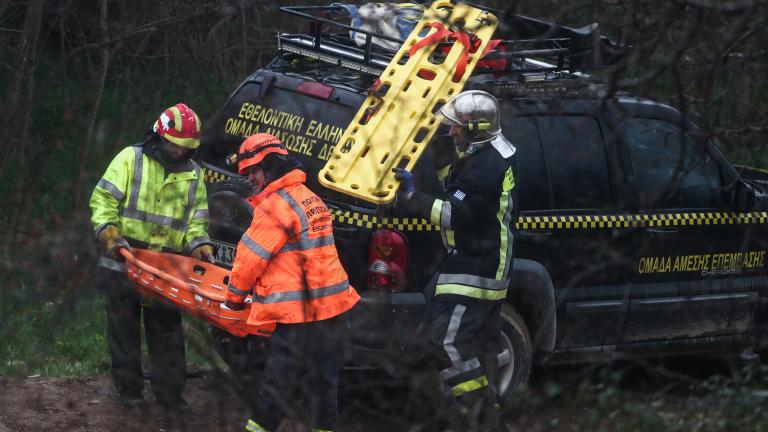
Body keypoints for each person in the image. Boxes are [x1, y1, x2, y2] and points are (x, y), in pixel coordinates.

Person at [393, 90, 517, 431]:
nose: (452, 132)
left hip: (477, 267)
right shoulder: (486, 152)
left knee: (444, 343)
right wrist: (440, 154)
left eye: (456, 128)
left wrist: (410, 197)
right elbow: (457, 183)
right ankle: (465, 414)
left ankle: (483, 413)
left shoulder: (487, 167)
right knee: (436, 343)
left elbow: (453, 212)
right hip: (468, 261)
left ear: (475, 128)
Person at [223, 133, 360, 432]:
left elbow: (250, 259)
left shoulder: (275, 207)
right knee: (325, 387)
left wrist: (233, 298)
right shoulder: (310, 198)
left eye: (253, 172)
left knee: (277, 388)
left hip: (300, 316)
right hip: (333, 310)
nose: (250, 179)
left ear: (270, 166)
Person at [89, 102, 213, 408]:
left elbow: (196, 222)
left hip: (166, 268)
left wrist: (200, 245)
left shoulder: (195, 176)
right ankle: (129, 393)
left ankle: (170, 394)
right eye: (175, 144)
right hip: (123, 259)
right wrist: (111, 235)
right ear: (159, 135)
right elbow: (102, 199)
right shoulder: (131, 159)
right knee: (124, 331)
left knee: (168, 331)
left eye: (185, 147)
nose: (179, 151)